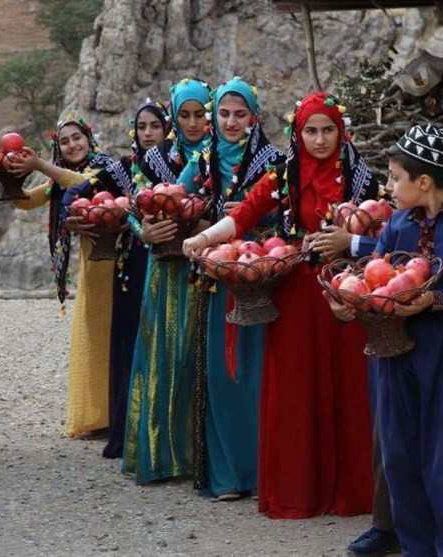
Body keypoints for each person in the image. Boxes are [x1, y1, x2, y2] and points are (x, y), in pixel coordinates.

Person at [183, 91, 377, 519]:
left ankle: (353, 492)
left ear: (340, 131)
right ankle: (298, 491)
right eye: (311, 131)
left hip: (345, 295)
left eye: (328, 130)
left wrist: (351, 242)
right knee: (295, 390)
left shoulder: (359, 174)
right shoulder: (281, 173)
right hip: (294, 299)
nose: (320, 139)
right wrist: (202, 239)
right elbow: (244, 215)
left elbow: (382, 225)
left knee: (349, 389)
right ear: (298, 132)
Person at [326, 124, 443, 556]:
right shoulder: (398, 225)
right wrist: (349, 305)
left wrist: (434, 299)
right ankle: (417, 547)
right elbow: (373, 276)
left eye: (393, 178)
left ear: (423, 182)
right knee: (401, 455)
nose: (387, 187)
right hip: (394, 351)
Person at [176, 77, 285, 500]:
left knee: (261, 374)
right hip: (217, 283)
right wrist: (201, 221)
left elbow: (291, 218)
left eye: (240, 114)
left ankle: (267, 472)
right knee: (223, 376)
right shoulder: (201, 161)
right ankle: (228, 475)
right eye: (223, 113)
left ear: (254, 116)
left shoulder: (275, 161)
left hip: (266, 279)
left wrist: (257, 222)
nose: (231, 122)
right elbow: (169, 204)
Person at [62, 100, 170, 459]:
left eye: (155, 126)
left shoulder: (183, 165)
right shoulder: (126, 169)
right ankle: (128, 432)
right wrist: (74, 217)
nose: (149, 134)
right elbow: (78, 194)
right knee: (130, 344)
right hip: (132, 265)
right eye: (142, 128)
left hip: (173, 266)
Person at [121, 78, 212, 484]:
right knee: (163, 352)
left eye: (200, 114)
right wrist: (143, 231)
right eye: (185, 115)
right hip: (164, 271)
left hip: (207, 267)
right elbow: (130, 205)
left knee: (199, 356)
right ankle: (160, 455)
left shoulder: (223, 156)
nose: (192, 123)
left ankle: (200, 458)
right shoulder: (154, 158)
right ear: (174, 117)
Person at [5, 115, 115, 439]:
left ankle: (116, 414)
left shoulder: (106, 169)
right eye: (64, 142)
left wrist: (39, 164)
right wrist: (7, 178)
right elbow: (26, 203)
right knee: (93, 342)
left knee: (113, 339)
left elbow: (82, 184)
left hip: (117, 265)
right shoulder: (58, 181)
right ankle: (98, 417)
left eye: (76, 137)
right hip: (93, 269)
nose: (72, 145)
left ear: (89, 138)